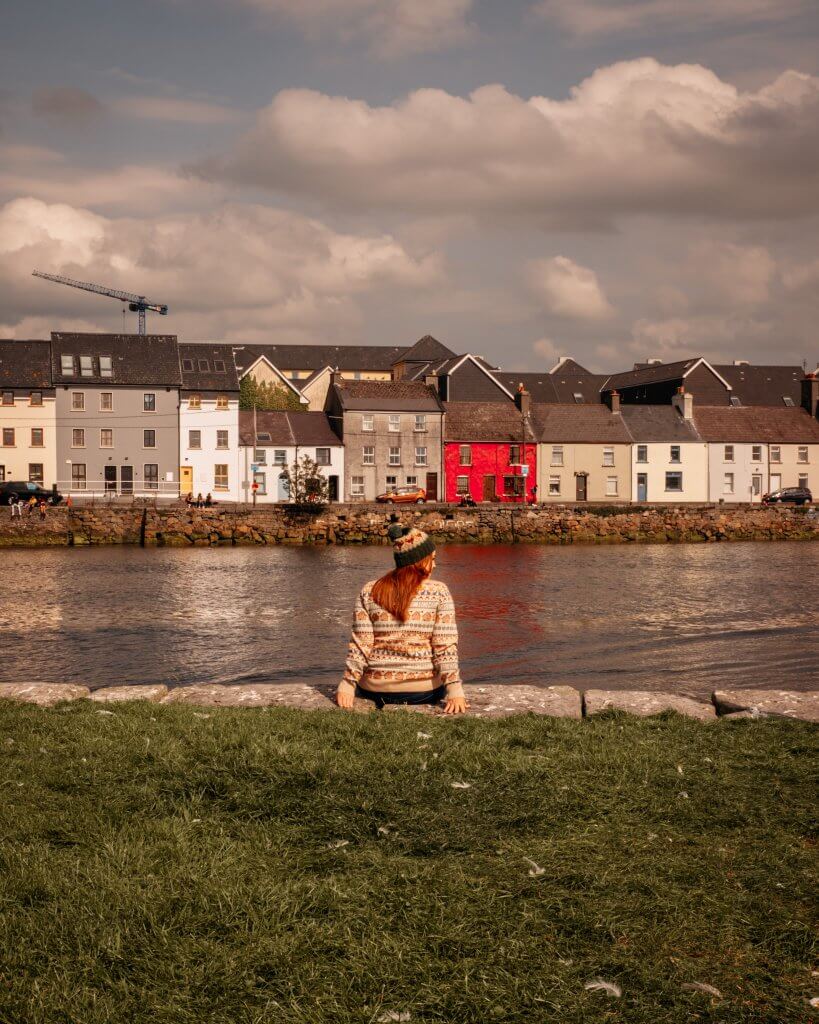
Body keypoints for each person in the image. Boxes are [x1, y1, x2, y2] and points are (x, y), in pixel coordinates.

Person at [336, 525, 467, 715]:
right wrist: (454, 690)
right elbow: (444, 646)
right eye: (433, 559)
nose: (435, 565)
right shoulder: (439, 592)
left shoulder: (370, 591)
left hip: (374, 690)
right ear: (419, 561)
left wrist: (348, 684)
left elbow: (361, 644)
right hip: (422, 692)